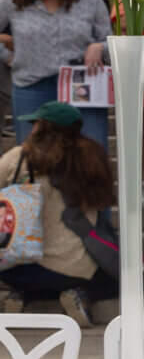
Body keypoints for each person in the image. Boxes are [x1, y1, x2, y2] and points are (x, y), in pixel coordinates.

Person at [0, 102, 112, 323]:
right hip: (78, 267)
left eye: (35, 124)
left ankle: (22, 294)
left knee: (28, 267)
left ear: (43, 128)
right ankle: (76, 294)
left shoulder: (19, 157)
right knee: (110, 266)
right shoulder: (93, 158)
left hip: (18, 265)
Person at [0, 0, 108, 144]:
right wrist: (7, 55)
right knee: (34, 153)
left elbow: (109, 39)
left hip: (81, 82)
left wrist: (99, 47)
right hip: (31, 85)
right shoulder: (11, 1)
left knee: (89, 149)